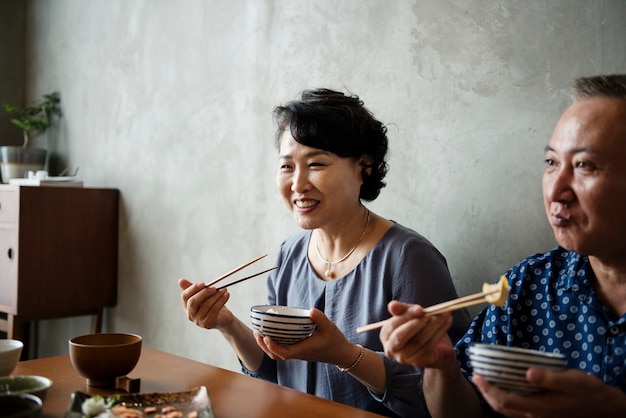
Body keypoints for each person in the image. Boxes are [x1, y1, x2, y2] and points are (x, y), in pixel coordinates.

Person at [179, 88, 470, 417]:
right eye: (287, 166)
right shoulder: (287, 256)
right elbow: (277, 373)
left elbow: (439, 400)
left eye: (315, 163)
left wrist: (345, 355)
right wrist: (227, 325)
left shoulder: (409, 257)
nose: (298, 183)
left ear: (364, 165)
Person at [379, 74, 626, 418]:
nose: (556, 191)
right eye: (552, 163)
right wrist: (441, 367)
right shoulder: (528, 285)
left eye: (584, 166)